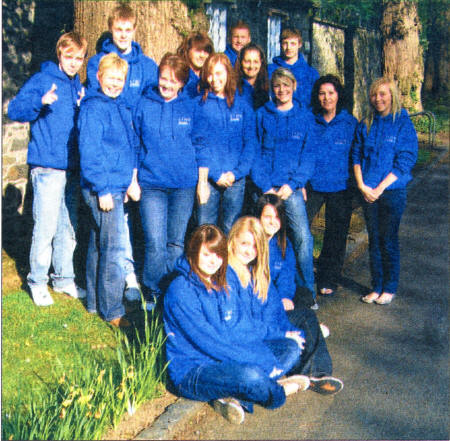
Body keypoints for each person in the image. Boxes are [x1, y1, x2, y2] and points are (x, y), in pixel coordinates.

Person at [164, 224, 308, 425]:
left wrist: (278, 336)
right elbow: (210, 343)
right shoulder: (180, 291)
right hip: (194, 370)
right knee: (250, 374)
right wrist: (262, 362)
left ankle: (231, 396)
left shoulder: (219, 282)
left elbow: (238, 327)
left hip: (225, 356)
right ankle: (279, 390)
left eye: (218, 255)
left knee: (289, 348)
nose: (213, 261)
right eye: (207, 254)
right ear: (193, 252)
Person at [8, 32, 88, 306]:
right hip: (47, 167)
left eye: (79, 58)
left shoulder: (78, 85)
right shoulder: (44, 79)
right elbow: (14, 110)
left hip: (72, 168)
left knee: (68, 228)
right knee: (46, 227)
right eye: (69, 57)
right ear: (59, 54)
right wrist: (39, 102)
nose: (74, 63)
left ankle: (64, 278)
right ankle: (37, 281)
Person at [86, 4, 158, 300]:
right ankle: (118, 289)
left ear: (135, 30)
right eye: (119, 29)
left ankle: (123, 279)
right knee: (110, 233)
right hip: (110, 154)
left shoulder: (148, 65)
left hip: (134, 147)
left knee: (127, 220)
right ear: (111, 29)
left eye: (129, 30)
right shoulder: (97, 63)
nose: (124, 35)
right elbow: (100, 102)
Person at [228, 216, 343, 395]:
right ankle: (264, 383)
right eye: (244, 243)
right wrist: (283, 335)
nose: (249, 250)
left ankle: (316, 373)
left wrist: (292, 332)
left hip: (266, 328)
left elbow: (275, 312)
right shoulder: (227, 274)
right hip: (250, 338)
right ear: (232, 240)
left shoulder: (256, 271)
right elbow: (244, 325)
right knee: (292, 347)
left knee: (305, 316)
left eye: (255, 246)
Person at [134, 53, 205, 309]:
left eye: (173, 81)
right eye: (164, 78)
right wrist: (133, 179)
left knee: (175, 241)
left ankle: (171, 290)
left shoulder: (191, 107)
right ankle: (152, 289)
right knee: (155, 241)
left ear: (182, 83)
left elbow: (200, 143)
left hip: (183, 185)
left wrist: (202, 181)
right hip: (152, 183)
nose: (167, 84)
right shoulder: (144, 104)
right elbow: (135, 143)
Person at [78, 53, 140, 327]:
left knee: (98, 245)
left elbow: (128, 148)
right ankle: (113, 310)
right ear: (99, 77)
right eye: (110, 78)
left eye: (120, 79)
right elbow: (90, 152)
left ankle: (94, 303)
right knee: (113, 250)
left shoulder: (120, 106)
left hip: (117, 185)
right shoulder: (93, 108)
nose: (115, 83)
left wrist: (129, 182)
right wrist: (103, 189)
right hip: (102, 187)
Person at [251, 67, 318, 309]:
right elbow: (254, 152)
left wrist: (293, 185)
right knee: (262, 236)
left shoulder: (305, 117)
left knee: (301, 237)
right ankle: (260, 288)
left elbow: (308, 156)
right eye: (277, 86)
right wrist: (265, 186)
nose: (282, 90)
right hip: (266, 188)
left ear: (294, 87)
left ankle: (307, 291)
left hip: (291, 188)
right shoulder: (262, 115)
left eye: (286, 86)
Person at [353, 77, 418, 305]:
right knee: (374, 240)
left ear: (392, 96)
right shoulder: (366, 123)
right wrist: (362, 186)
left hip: (391, 192)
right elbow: (357, 156)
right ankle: (376, 285)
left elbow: (406, 160)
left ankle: (389, 287)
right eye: (374, 95)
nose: (378, 99)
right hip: (368, 192)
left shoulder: (402, 122)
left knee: (388, 239)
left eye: (383, 94)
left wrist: (380, 188)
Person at [194, 53, 257, 234]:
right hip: (209, 179)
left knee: (230, 229)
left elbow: (250, 143)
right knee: (205, 229)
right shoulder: (200, 106)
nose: (215, 79)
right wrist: (214, 174)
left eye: (220, 73)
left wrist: (236, 173)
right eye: (211, 74)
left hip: (235, 180)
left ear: (229, 74)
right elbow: (198, 145)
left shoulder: (243, 106)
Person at [307, 75, 358, 296]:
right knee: (300, 231)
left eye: (331, 93)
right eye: (322, 93)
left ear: (338, 95)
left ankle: (329, 278)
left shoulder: (350, 124)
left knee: (336, 235)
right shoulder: (310, 120)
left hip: (340, 185)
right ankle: (304, 274)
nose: (326, 97)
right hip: (312, 184)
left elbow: (357, 156)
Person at [267, 28, 319, 109]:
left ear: (300, 44)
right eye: (285, 43)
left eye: (293, 43)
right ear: (280, 44)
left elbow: (316, 102)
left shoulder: (311, 73)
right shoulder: (270, 70)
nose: (288, 48)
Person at [177, 31, 214, 99]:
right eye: (198, 50)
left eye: (206, 51)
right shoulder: (178, 74)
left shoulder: (211, 77)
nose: (202, 55)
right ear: (187, 50)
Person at [236, 42, 270, 110]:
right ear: (240, 62)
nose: (251, 66)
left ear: (261, 62)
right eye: (247, 61)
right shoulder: (234, 88)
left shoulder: (268, 88)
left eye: (255, 62)